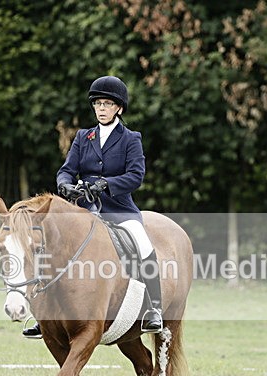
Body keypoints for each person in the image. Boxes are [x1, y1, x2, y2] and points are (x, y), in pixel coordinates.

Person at [22, 75, 163, 339]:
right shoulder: (82, 137)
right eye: (98, 103)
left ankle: (153, 308)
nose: (101, 108)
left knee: (143, 244)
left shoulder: (131, 138)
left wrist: (106, 184)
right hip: (83, 211)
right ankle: (44, 316)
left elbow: (136, 175)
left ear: (118, 108)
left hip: (119, 210)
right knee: (50, 249)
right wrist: (65, 186)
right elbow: (66, 171)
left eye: (107, 104)